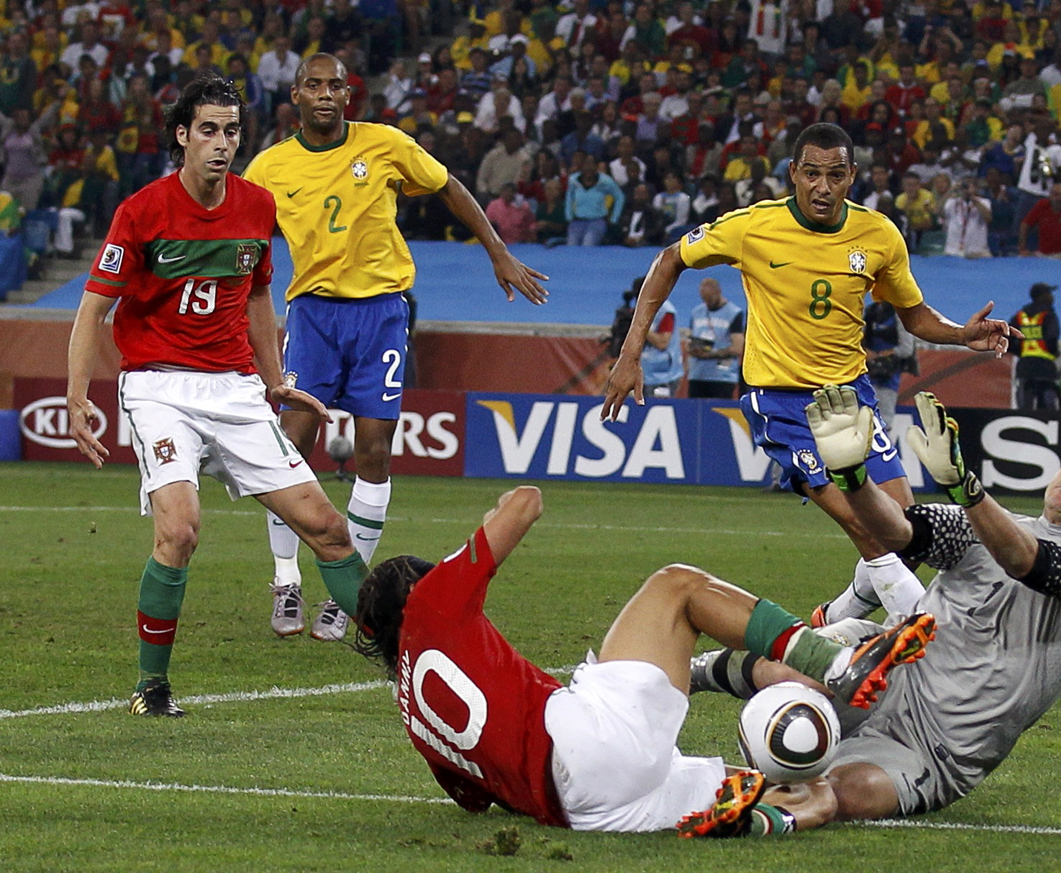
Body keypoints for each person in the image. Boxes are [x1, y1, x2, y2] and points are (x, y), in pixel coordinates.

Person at [603, 122, 1017, 632]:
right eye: (813, 174)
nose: (823, 187)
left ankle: (834, 621)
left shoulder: (879, 234)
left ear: (852, 177)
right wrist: (631, 351)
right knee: (863, 522)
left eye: (836, 175)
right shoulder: (753, 226)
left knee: (903, 533)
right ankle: (936, 634)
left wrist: (960, 334)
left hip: (852, 397)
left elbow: (913, 314)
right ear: (794, 173)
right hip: (782, 402)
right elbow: (670, 259)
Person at [683, 387, 1061, 836]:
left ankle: (720, 797)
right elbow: (900, 531)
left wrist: (967, 490)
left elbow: (1025, 560)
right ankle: (687, 674)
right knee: (791, 672)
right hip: (882, 671)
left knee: (853, 792)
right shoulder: (983, 523)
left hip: (937, 748)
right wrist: (852, 477)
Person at [351, 484, 937, 833]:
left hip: (583, 809)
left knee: (780, 788)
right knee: (676, 587)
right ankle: (832, 662)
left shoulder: (410, 712)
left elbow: (475, 797)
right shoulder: (432, 603)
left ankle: (778, 818)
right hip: (585, 738)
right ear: (420, 590)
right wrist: (485, 524)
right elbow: (524, 504)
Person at [65, 75, 370, 718]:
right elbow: (92, 310)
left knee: (328, 528)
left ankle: (402, 657)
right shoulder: (142, 211)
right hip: (159, 386)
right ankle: (152, 687)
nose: (222, 143)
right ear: (182, 136)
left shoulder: (257, 207)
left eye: (232, 131)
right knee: (180, 530)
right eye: (208, 129)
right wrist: (76, 396)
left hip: (234, 389)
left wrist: (273, 376)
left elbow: (258, 294)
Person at [242, 53, 549, 643]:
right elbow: (237, 230)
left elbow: (449, 186)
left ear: (348, 95)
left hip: (382, 311)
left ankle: (348, 594)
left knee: (374, 450)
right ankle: (286, 580)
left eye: (336, 85)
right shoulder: (269, 167)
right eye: (314, 85)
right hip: (312, 313)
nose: (326, 94)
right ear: (296, 97)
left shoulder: (383, 143)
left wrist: (497, 250)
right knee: (290, 446)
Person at [862, 302, 917, 438]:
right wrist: (866, 352)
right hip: (866, 373)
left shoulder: (898, 316)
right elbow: (858, 339)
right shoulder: (870, 312)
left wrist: (883, 354)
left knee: (884, 418)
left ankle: (884, 452)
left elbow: (907, 349)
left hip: (888, 375)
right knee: (862, 415)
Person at [685, 277, 745, 399]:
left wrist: (710, 354)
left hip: (721, 377)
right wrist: (692, 349)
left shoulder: (734, 313)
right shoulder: (696, 312)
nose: (707, 302)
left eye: (710, 299)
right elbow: (689, 339)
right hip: (697, 375)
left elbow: (737, 348)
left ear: (718, 292)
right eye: (704, 299)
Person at [1009, 282, 1061, 410]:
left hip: (1025, 367)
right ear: (1041, 296)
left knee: (1025, 409)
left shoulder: (1019, 316)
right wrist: (1054, 353)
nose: (1052, 297)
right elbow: (1052, 337)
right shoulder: (1048, 315)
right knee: (1047, 410)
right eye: (1049, 293)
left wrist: (1020, 352)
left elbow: (1007, 339)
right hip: (1045, 368)